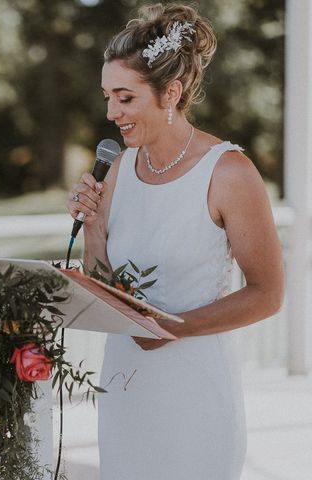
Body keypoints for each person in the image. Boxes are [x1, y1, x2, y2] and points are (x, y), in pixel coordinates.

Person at [66, 4, 284, 479]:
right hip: (125, 388)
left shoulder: (229, 172)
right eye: (108, 97)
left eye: (125, 98)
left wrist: (170, 329)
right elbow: (105, 288)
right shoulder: (119, 169)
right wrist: (95, 228)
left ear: (171, 92)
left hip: (196, 393)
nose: (111, 113)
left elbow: (268, 294)